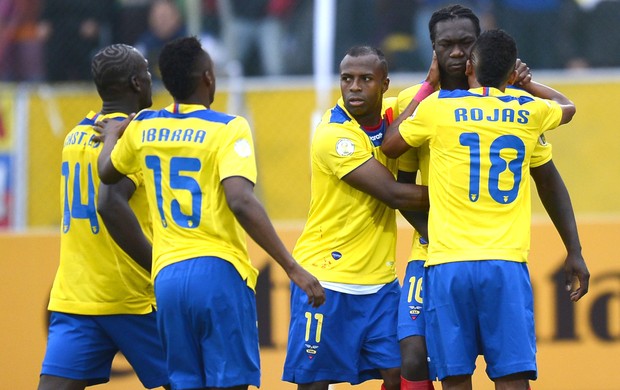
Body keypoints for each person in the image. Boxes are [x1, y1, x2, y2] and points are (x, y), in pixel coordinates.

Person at [95, 36, 325, 390]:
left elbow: (107, 173)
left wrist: (112, 133)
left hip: (167, 277)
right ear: (208, 78)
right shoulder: (228, 128)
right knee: (230, 383)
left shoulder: (142, 126)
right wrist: (291, 266)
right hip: (217, 273)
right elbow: (240, 200)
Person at [390, 5, 592, 390]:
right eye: (445, 44)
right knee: (415, 356)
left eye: (466, 43)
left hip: (455, 258)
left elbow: (547, 179)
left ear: (478, 48)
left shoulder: (499, 103)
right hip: (431, 250)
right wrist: (429, 229)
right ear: (432, 48)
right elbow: (400, 181)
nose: (456, 53)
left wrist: (574, 247)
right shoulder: (416, 101)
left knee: (477, 372)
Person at [282, 46, 429, 390]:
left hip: (380, 284)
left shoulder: (395, 115)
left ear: (385, 84)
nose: (354, 87)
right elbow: (394, 194)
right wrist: (466, 199)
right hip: (326, 279)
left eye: (365, 79)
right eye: (347, 79)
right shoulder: (333, 134)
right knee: (315, 383)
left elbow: (436, 95)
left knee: (400, 373)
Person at [38, 44, 169, 390]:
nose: (150, 77)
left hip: (78, 297)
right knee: (190, 383)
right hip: (134, 297)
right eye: (145, 72)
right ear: (135, 83)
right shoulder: (135, 138)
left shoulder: (75, 136)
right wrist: (160, 268)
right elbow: (110, 204)